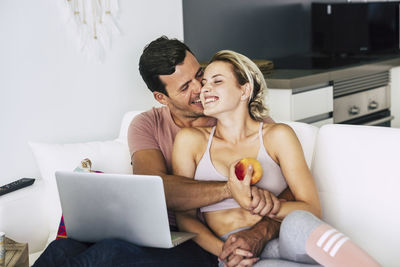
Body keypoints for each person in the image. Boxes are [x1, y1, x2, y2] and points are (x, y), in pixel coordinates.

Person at [33, 36, 289, 267]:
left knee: (109, 254)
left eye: (199, 74)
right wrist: (229, 188)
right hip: (159, 234)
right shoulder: (147, 124)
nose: (200, 88)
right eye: (184, 87)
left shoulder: (236, 115)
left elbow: (293, 188)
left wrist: (261, 232)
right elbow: (158, 189)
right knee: (61, 247)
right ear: (161, 97)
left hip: (202, 243)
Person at [172, 50, 380, 267]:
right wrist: (224, 252)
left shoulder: (277, 135)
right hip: (237, 251)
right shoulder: (191, 141)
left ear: (245, 90)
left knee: (298, 221)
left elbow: (311, 208)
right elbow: (185, 217)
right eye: (204, 83)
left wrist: (270, 207)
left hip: (285, 237)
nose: (204, 89)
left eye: (217, 81)